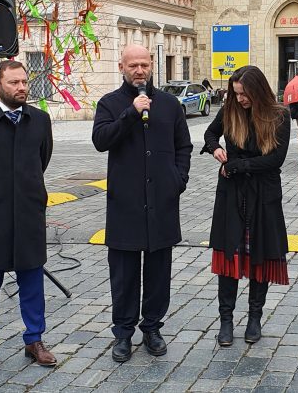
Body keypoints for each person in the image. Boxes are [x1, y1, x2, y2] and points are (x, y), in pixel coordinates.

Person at [92, 44, 192, 363]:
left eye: (144, 64)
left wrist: (178, 180)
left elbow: (184, 146)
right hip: (125, 204)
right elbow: (101, 140)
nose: (139, 70)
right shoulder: (109, 104)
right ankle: (123, 333)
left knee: (159, 271)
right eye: (133, 65)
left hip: (162, 202)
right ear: (121, 67)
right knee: (124, 272)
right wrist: (130, 113)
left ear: (152, 66)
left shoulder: (170, 104)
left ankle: (152, 327)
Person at [201, 65, 290, 347]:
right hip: (231, 193)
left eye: (244, 94)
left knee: (258, 257)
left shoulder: (279, 115)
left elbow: (275, 159)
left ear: (257, 90)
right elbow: (210, 134)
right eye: (236, 94)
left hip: (263, 195)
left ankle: (254, 318)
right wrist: (215, 148)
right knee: (229, 257)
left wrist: (238, 165)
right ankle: (225, 321)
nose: (240, 99)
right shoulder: (230, 110)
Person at [0, 60, 56, 372]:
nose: (21, 88)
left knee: (32, 281)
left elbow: (41, 160)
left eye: (24, 82)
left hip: (29, 215)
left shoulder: (40, 120)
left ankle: (34, 340)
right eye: (14, 83)